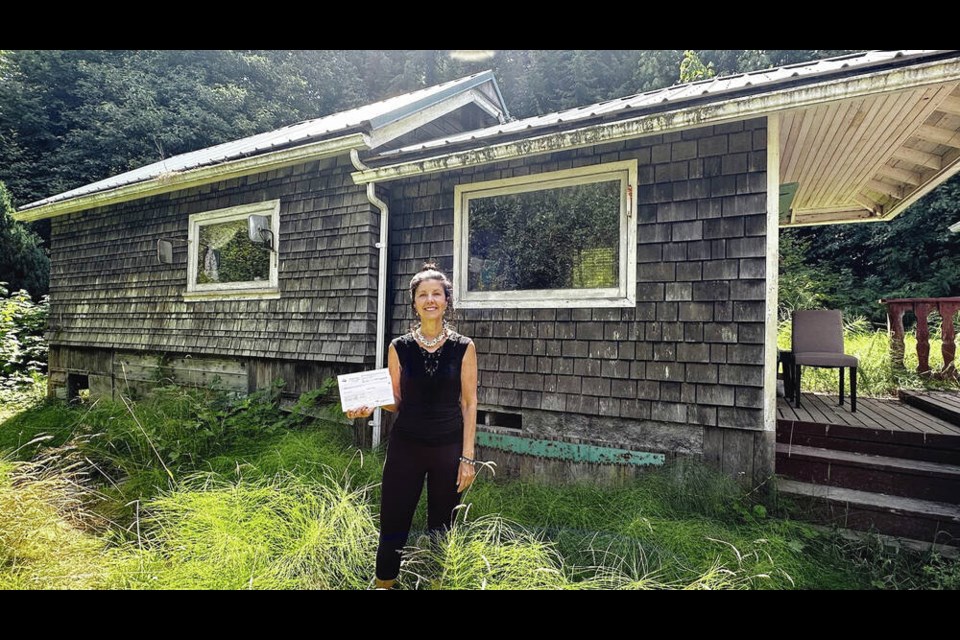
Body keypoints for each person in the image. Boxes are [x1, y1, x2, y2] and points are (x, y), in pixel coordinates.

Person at [345, 263, 478, 590]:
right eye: (423, 295)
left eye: (436, 294)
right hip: (406, 447)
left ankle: (436, 583)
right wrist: (369, 405)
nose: (430, 300)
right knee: (393, 521)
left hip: (448, 449)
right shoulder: (399, 347)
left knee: (442, 526)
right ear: (414, 302)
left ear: (447, 300)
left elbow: (469, 403)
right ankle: (383, 585)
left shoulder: (464, 347)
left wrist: (468, 457)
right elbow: (395, 400)